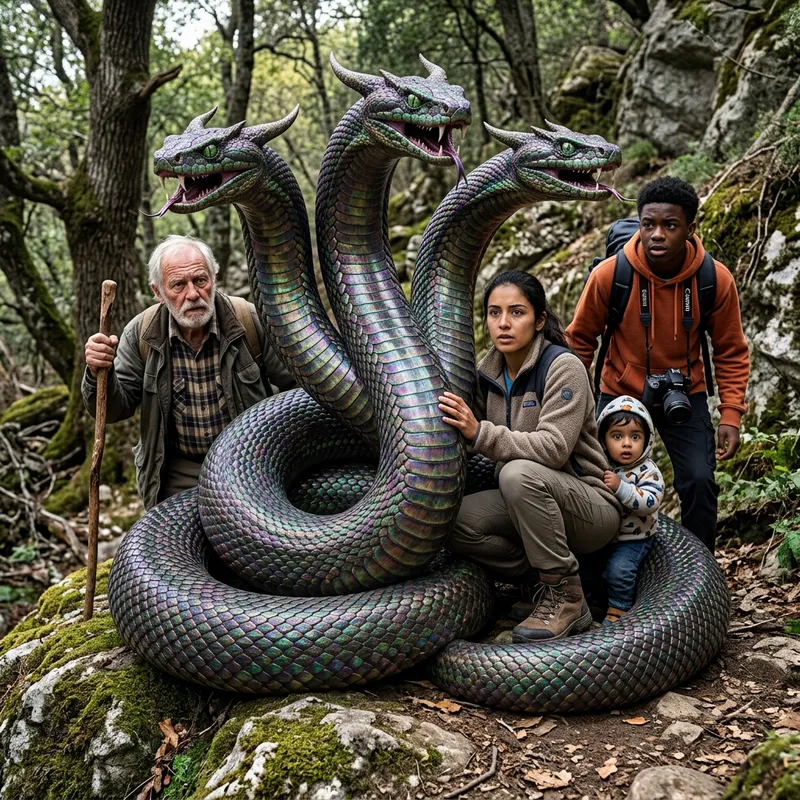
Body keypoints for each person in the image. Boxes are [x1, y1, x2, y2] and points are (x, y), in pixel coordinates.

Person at [567, 176, 750, 552]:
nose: (657, 235)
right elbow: (579, 341)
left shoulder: (713, 279)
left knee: (699, 481)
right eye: (648, 224)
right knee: (601, 480)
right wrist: (572, 403)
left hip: (684, 392)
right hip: (620, 393)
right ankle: (606, 571)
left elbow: (730, 349)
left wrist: (731, 414)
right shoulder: (610, 275)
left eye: (670, 225)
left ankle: (700, 576)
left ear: (690, 228)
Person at [438, 270, 622, 643]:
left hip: (590, 505)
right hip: (529, 502)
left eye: (517, 312)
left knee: (517, 473)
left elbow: (553, 448)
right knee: (448, 522)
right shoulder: (486, 374)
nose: (503, 323)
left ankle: (566, 597)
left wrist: (480, 432)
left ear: (539, 321)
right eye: (494, 313)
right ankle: (535, 581)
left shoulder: (563, 366)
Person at [82, 234, 295, 509]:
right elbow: (114, 410)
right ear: (158, 292)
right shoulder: (142, 334)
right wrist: (100, 372)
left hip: (251, 462)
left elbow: (295, 388)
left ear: (213, 279)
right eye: (178, 285)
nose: (193, 294)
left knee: (248, 546)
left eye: (200, 280)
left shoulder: (248, 321)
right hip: (178, 472)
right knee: (171, 547)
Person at [597, 395, 664, 625]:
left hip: (634, 537)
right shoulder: (603, 465)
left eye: (635, 437)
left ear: (646, 440)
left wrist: (621, 488)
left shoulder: (648, 471)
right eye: (617, 436)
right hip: (607, 535)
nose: (626, 443)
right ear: (603, 440)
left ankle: (620, 608)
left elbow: (650, 502)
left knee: (620, 569)